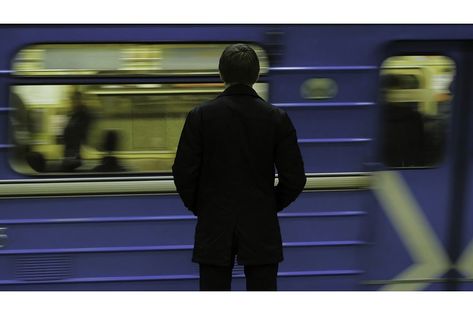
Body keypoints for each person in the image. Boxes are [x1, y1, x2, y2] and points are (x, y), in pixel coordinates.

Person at [172, 43, 306, 291]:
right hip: (261, 226)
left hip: (214, 225)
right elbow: (295, 179)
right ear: (255, 76)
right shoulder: (276, 118)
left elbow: (183, 173)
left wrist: (204, 208)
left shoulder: (200, 116)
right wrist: (267, 205)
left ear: (222, 73)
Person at [62, 90, 93, 171]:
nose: (71, 103)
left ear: (79, 101)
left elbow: (78, 135)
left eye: (73, 100)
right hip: (71, 154)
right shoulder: (74, 115)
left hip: (75, 155)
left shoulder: (83, 115)